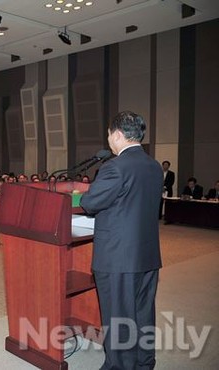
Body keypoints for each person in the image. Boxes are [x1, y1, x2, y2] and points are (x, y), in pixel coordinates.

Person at [80, 111, 163, 370]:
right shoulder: (154, 166)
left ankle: (120, 366)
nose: (108, 139)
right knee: (142, 313)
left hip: (118, 257)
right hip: (147, 255)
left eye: (108, 134)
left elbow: (90, 203)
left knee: (118, 316)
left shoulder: (115, 167)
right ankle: (144, 363)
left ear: (117, 134)